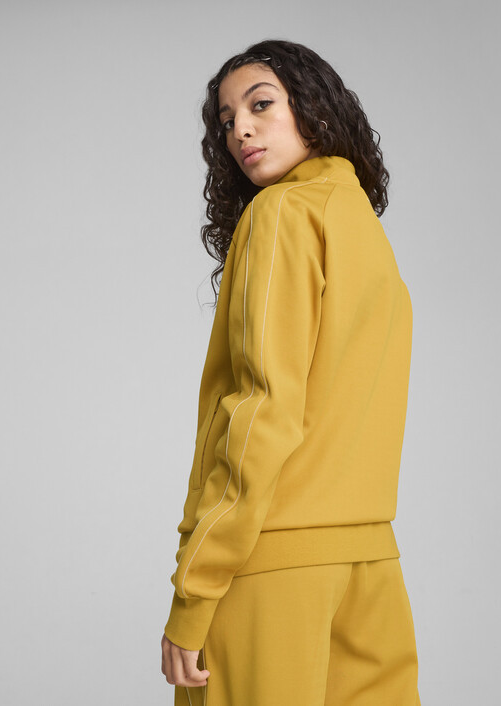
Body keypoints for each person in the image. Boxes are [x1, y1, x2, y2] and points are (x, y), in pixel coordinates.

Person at [160, 39, 422, 705]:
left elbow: (261, 411)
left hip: (271, 565)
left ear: (314, 108)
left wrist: (195, 591)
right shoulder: (362, 226)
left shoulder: (280, 214)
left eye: (260, 105)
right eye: (227, 121)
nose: (240, 131)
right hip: (369, 562)